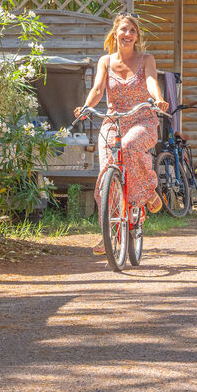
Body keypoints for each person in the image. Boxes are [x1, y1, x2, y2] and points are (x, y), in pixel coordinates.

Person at [75, 13, 170, 254]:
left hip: (142, 119)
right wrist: (87, 106)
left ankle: (148, 191)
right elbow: (97, 88)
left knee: (128, 148)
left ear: (137, 37)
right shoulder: (105, 61)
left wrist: (158, 99)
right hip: (113, 120)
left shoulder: (146, 58)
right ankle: (108, 234)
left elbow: (151, 81)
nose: (127, 35)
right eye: (124, 30)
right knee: (107, 174)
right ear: (115, 33)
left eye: (132, 31)